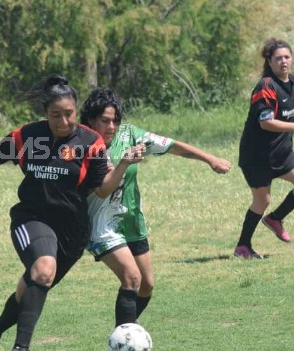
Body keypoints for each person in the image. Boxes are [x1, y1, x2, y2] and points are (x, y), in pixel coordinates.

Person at [0, 75, 144, 351]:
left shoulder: (90, 142)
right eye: (56, 115)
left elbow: (103, 189)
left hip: (71, 232)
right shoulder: (27, 136)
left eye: (69, 113)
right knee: (43, 269)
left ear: (75, 110)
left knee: (30, 288)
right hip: (31, 218)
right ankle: (21, 348)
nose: (64, 121)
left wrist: (123, 164)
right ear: (45, 113)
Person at [80, 88, 231, 326]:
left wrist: (210, 159)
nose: (111, 127)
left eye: (116, 121)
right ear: (91, 119)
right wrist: (125, 161)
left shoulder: (129, 134)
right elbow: (101, 189)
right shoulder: (83, 143)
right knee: (132, 278)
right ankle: (125, 336)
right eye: (105, 121)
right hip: (101, 225)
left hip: (131, 220)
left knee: (146, 285)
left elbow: (173, 146)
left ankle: (125, 331)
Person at [234, 38, 294, 259]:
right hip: (257, 155)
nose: (283, 61)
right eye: (278, 58)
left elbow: (282, 111)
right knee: (262, 200)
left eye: (287, 57)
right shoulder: (266, 86)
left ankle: (275, 219)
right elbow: (266, 122)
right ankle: (243, 246)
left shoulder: (291, 82)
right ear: (269, 62)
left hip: (282, 152)